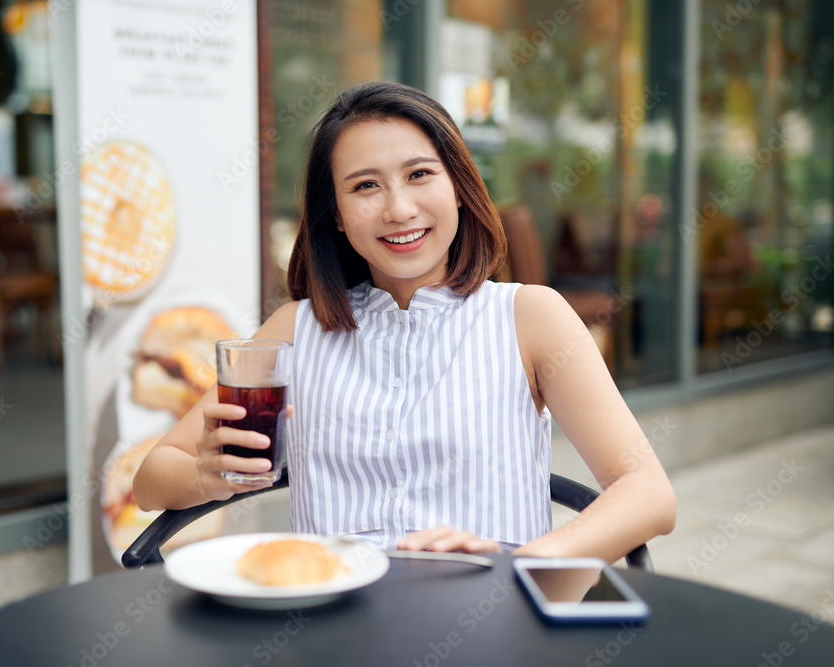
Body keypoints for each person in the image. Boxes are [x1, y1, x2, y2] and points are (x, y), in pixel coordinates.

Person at [134, 82, 675, 562]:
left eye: (420, 174)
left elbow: (647, 492)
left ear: (459, 188)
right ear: (338, 218)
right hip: (337, 627)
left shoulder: (529, 317)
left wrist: (529, 563)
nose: (398, 209)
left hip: (493, 622)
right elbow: (150, 481)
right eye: (365, 186)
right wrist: (204, 475)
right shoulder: (293, 330)